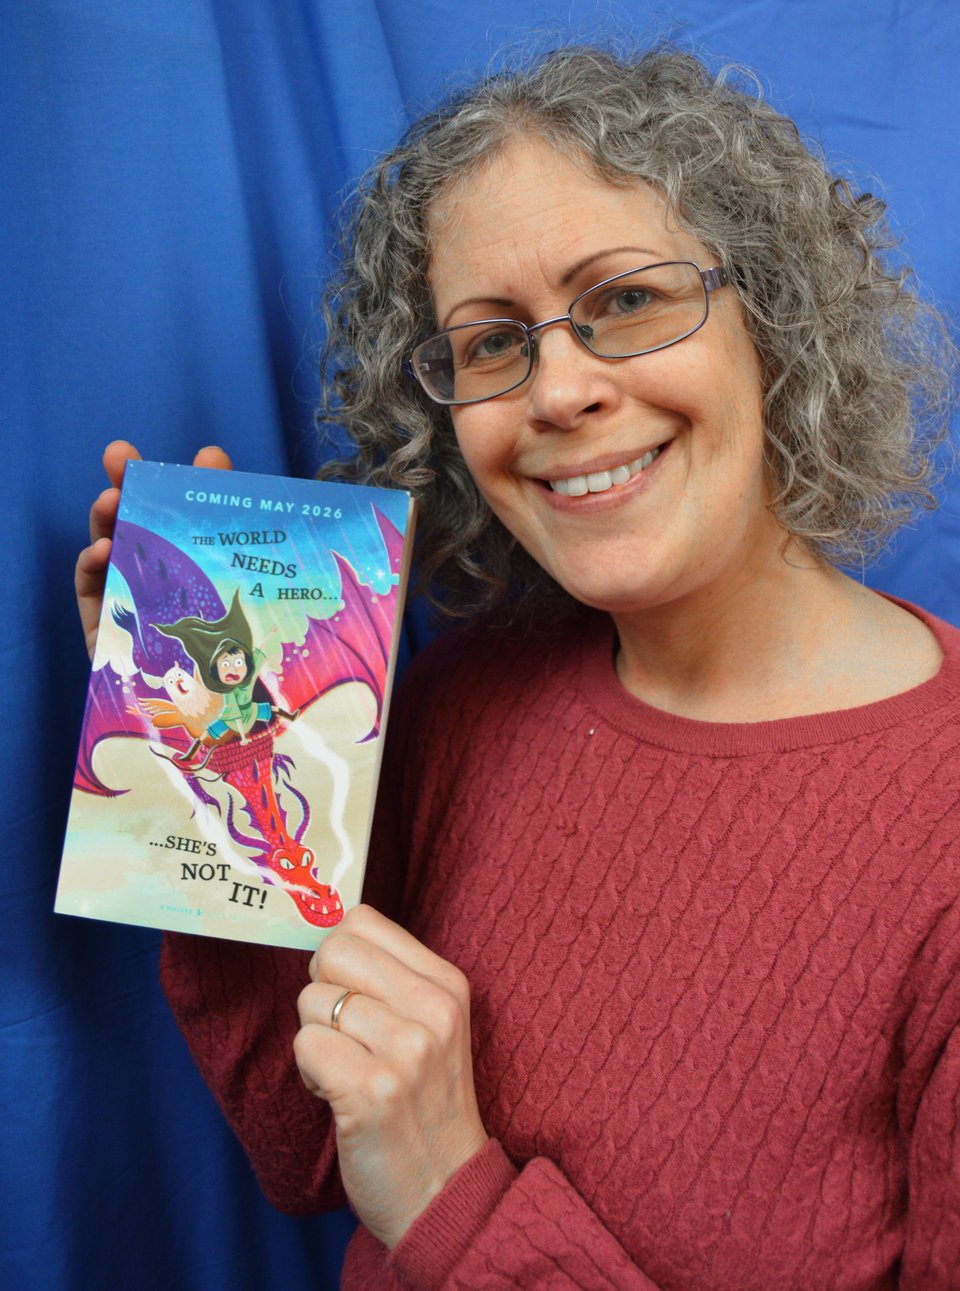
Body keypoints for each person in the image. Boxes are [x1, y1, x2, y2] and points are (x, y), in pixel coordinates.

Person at [76, 46, 960, 1290]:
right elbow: (305, 1144)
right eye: (491, 343)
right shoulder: (459, 702)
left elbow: (412, 1184)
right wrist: (195, 749)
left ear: (774, 318)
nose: (558, 391)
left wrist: (454, 1202)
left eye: (627, 300)